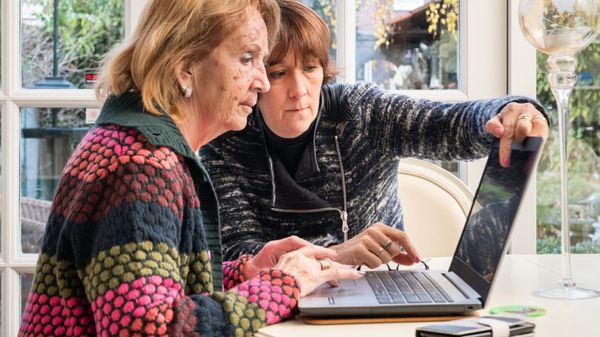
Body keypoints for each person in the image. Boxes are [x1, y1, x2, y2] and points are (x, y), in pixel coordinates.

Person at [18, 1, 363, 336]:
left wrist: (246, 272)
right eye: (247, 58)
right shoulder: (139, 166)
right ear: (185, 66)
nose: (264, 82)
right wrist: (281, 285)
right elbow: (148, 328)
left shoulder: (143, 146)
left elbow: (160, 288)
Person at [200, 0, 549, 269]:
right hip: (279, 310)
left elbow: (448, 124)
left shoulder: (360, 111)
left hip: (380, 294)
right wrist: (333, 256)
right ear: (257, 77)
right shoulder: (227, 139)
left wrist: (511, 112)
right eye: (278, 73)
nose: (299, 90)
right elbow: (236, 256)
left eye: (310, 68)